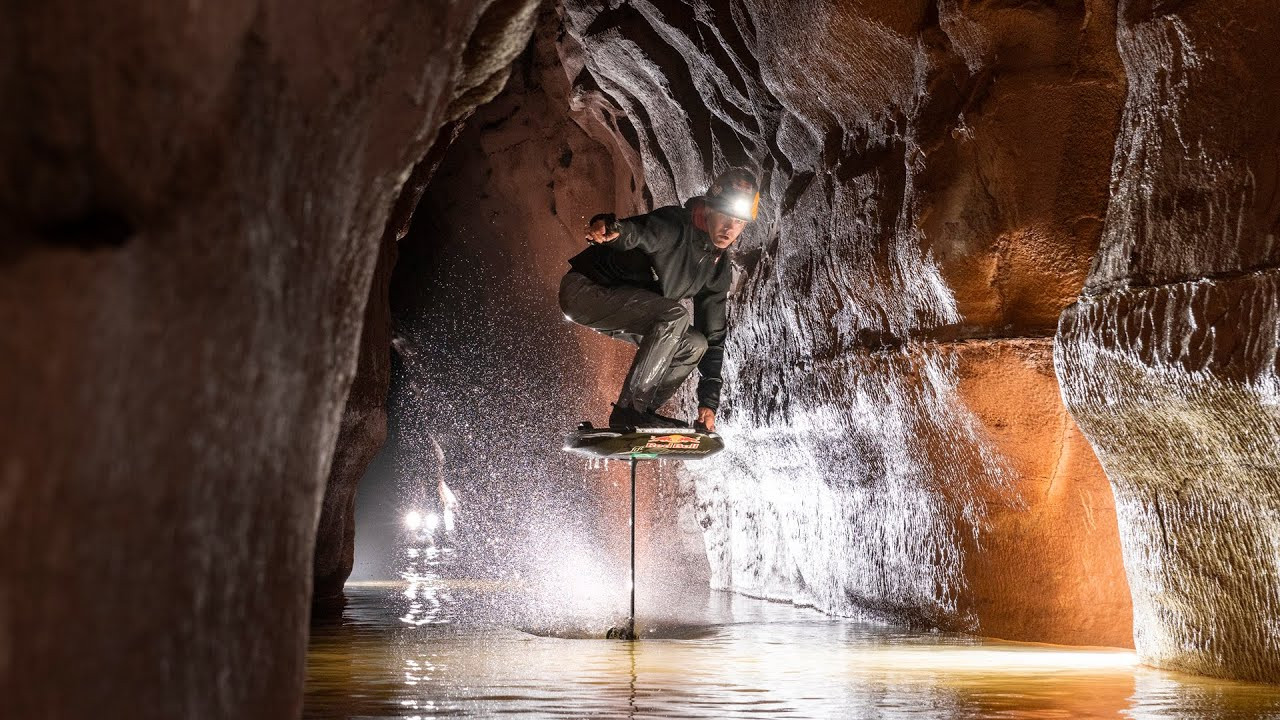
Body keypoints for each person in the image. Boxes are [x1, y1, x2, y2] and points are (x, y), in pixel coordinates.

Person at [559, 167, 760, 431]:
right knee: (675, 315)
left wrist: (708, 403)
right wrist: (612, 231)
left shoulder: (717, 268)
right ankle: (629, 411)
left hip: (627, 306)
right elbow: (637, 232)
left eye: (739, 222)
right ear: (710, 209)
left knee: (694, 344)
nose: (730, 228)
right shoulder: (675, 225)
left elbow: (713, 339)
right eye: (726, 216)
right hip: (585, 290)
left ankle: (642, 412)